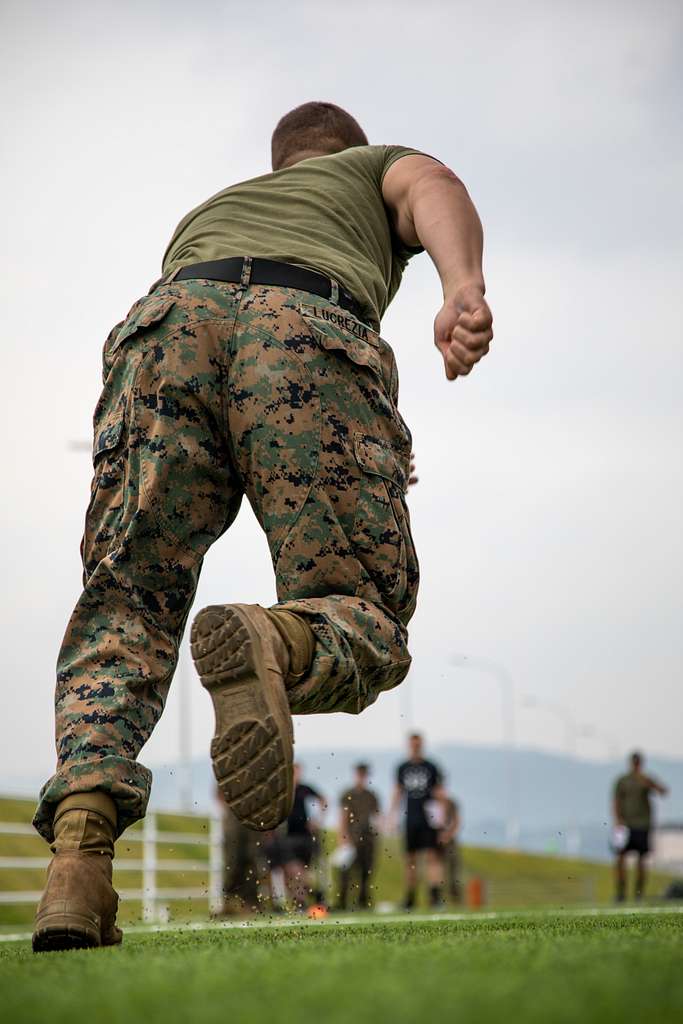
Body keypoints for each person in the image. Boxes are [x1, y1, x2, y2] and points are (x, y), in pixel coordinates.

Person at [32, 100, 493, 951]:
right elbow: (434, 184)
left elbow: (225, 355)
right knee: (363, 614)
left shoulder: (206, 213)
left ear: (278, 163)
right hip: (305, 328)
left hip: (165, 325)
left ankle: (78, 866)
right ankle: (271, 642)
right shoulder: (369, 168)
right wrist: (460, 289)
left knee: (127, 602)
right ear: (344, 155)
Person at [391, 734, 444, 909]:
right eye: (412, 744)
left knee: (432, 857)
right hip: (410, 818)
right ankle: (410, 898)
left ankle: (435, 897)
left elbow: (439, 792)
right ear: (408, 746)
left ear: (422, 745)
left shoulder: (431, 767)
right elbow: (398, 792)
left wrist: (443, 816)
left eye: (418, 744)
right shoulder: (402, 767)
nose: (415, 747)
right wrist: (391, 815)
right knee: (410, 860)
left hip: (429, 819)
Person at [613, 751, 668, 902]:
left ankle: (638, 894)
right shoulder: (622, 780)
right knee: (620, 858)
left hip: (643, 825)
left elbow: (663, 791)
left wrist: (649, 783)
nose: (636, 765)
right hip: (624, 825)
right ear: (630, 763)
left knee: (642, 860)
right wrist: (617, 820)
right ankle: (620, 892)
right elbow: (616, 800)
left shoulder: (646, 779)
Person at [280, 764, 327, 910]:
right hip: (289, 837)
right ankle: (299, 899)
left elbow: (323, 800)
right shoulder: (283, 791)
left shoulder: (305, 789)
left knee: (302, 871)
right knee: (293, 871)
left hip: (305, 837)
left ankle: (301, 901)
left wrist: (318, 820)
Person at [337, 763, 380, 910]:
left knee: (366, 870)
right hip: (352, 837)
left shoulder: (371, 795)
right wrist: (343, 836)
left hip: (368, 837)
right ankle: (342, 902)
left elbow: (376, 816)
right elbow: (343, 816)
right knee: (346, 871)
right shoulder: (348, 794)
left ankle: (363, 900)